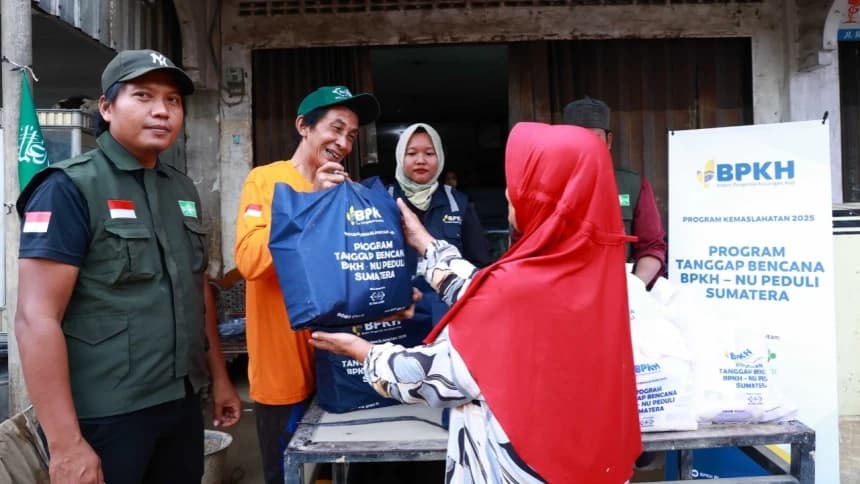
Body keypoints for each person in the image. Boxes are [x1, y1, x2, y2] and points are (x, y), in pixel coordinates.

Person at [311, 122, 642, 483]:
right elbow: (485, 291)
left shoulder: (517, 286)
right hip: (589, 462)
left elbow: (436, 377)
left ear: (545, 196)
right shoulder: (598, 276)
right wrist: (426, 243)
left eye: (521, 182)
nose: (509, 191)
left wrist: (361, 351)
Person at [15, 49, 241, 484]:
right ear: (106, 107)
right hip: (105, 414)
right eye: (143, 96)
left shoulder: (181, 189)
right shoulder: (69, 188)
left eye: (172, 100)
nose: (162, 111)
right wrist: (65, 444)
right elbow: (34, 318)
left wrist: (220, 378)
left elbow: (195, 291)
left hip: (180, 402)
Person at [234, 85, 380, 484]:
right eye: (336, 128)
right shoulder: (265, 180)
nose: (344, 142)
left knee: (337, 474)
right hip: (282, 370)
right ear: (304, 126)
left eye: (351, 135)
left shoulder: (345, 190)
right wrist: (311, 203)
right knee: (287, 475)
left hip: (338, 365)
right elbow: (250, 260)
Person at [563, 96, 667, 288]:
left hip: (616, 289)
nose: (586, 146)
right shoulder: (545, 186)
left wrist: (635, 286)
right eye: (578, 138)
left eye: (594, 138)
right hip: (563, 290)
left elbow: (652, 247)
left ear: (608, 141)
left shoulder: (632, 185)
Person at [390, 123, 491, 269]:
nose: (420, 160)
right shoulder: (383, 200)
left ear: (440, 157)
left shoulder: (458, 203)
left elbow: (480, 264)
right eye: (411, 153)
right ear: (400, 157)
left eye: (429, 153)